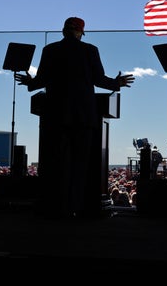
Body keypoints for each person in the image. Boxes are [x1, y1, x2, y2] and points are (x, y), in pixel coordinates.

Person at [15, 17, 134, 218]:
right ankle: (76, 208)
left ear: (63, 31)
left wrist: (30, 82)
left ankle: (56, 208)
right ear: (80, 32)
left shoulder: (50, 50)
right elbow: (98, 79)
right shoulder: (90, 50)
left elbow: (41, 80)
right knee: (80, 166)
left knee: (57, 165)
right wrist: (117, 83)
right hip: (83, 118)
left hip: (55, 117)